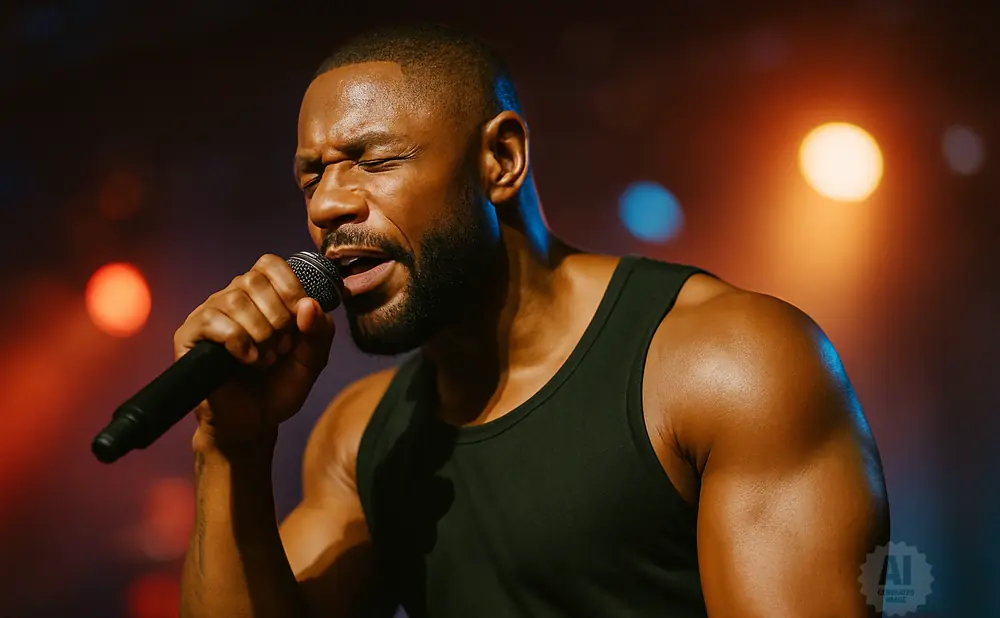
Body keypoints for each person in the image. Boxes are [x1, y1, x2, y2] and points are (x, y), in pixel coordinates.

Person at [176, 23, 890, 618]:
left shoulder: (724, 361)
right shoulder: (363, 436)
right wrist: (230, 445)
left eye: (374, 161)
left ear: (502, 158)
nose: (329, 204)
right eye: (312, 175)